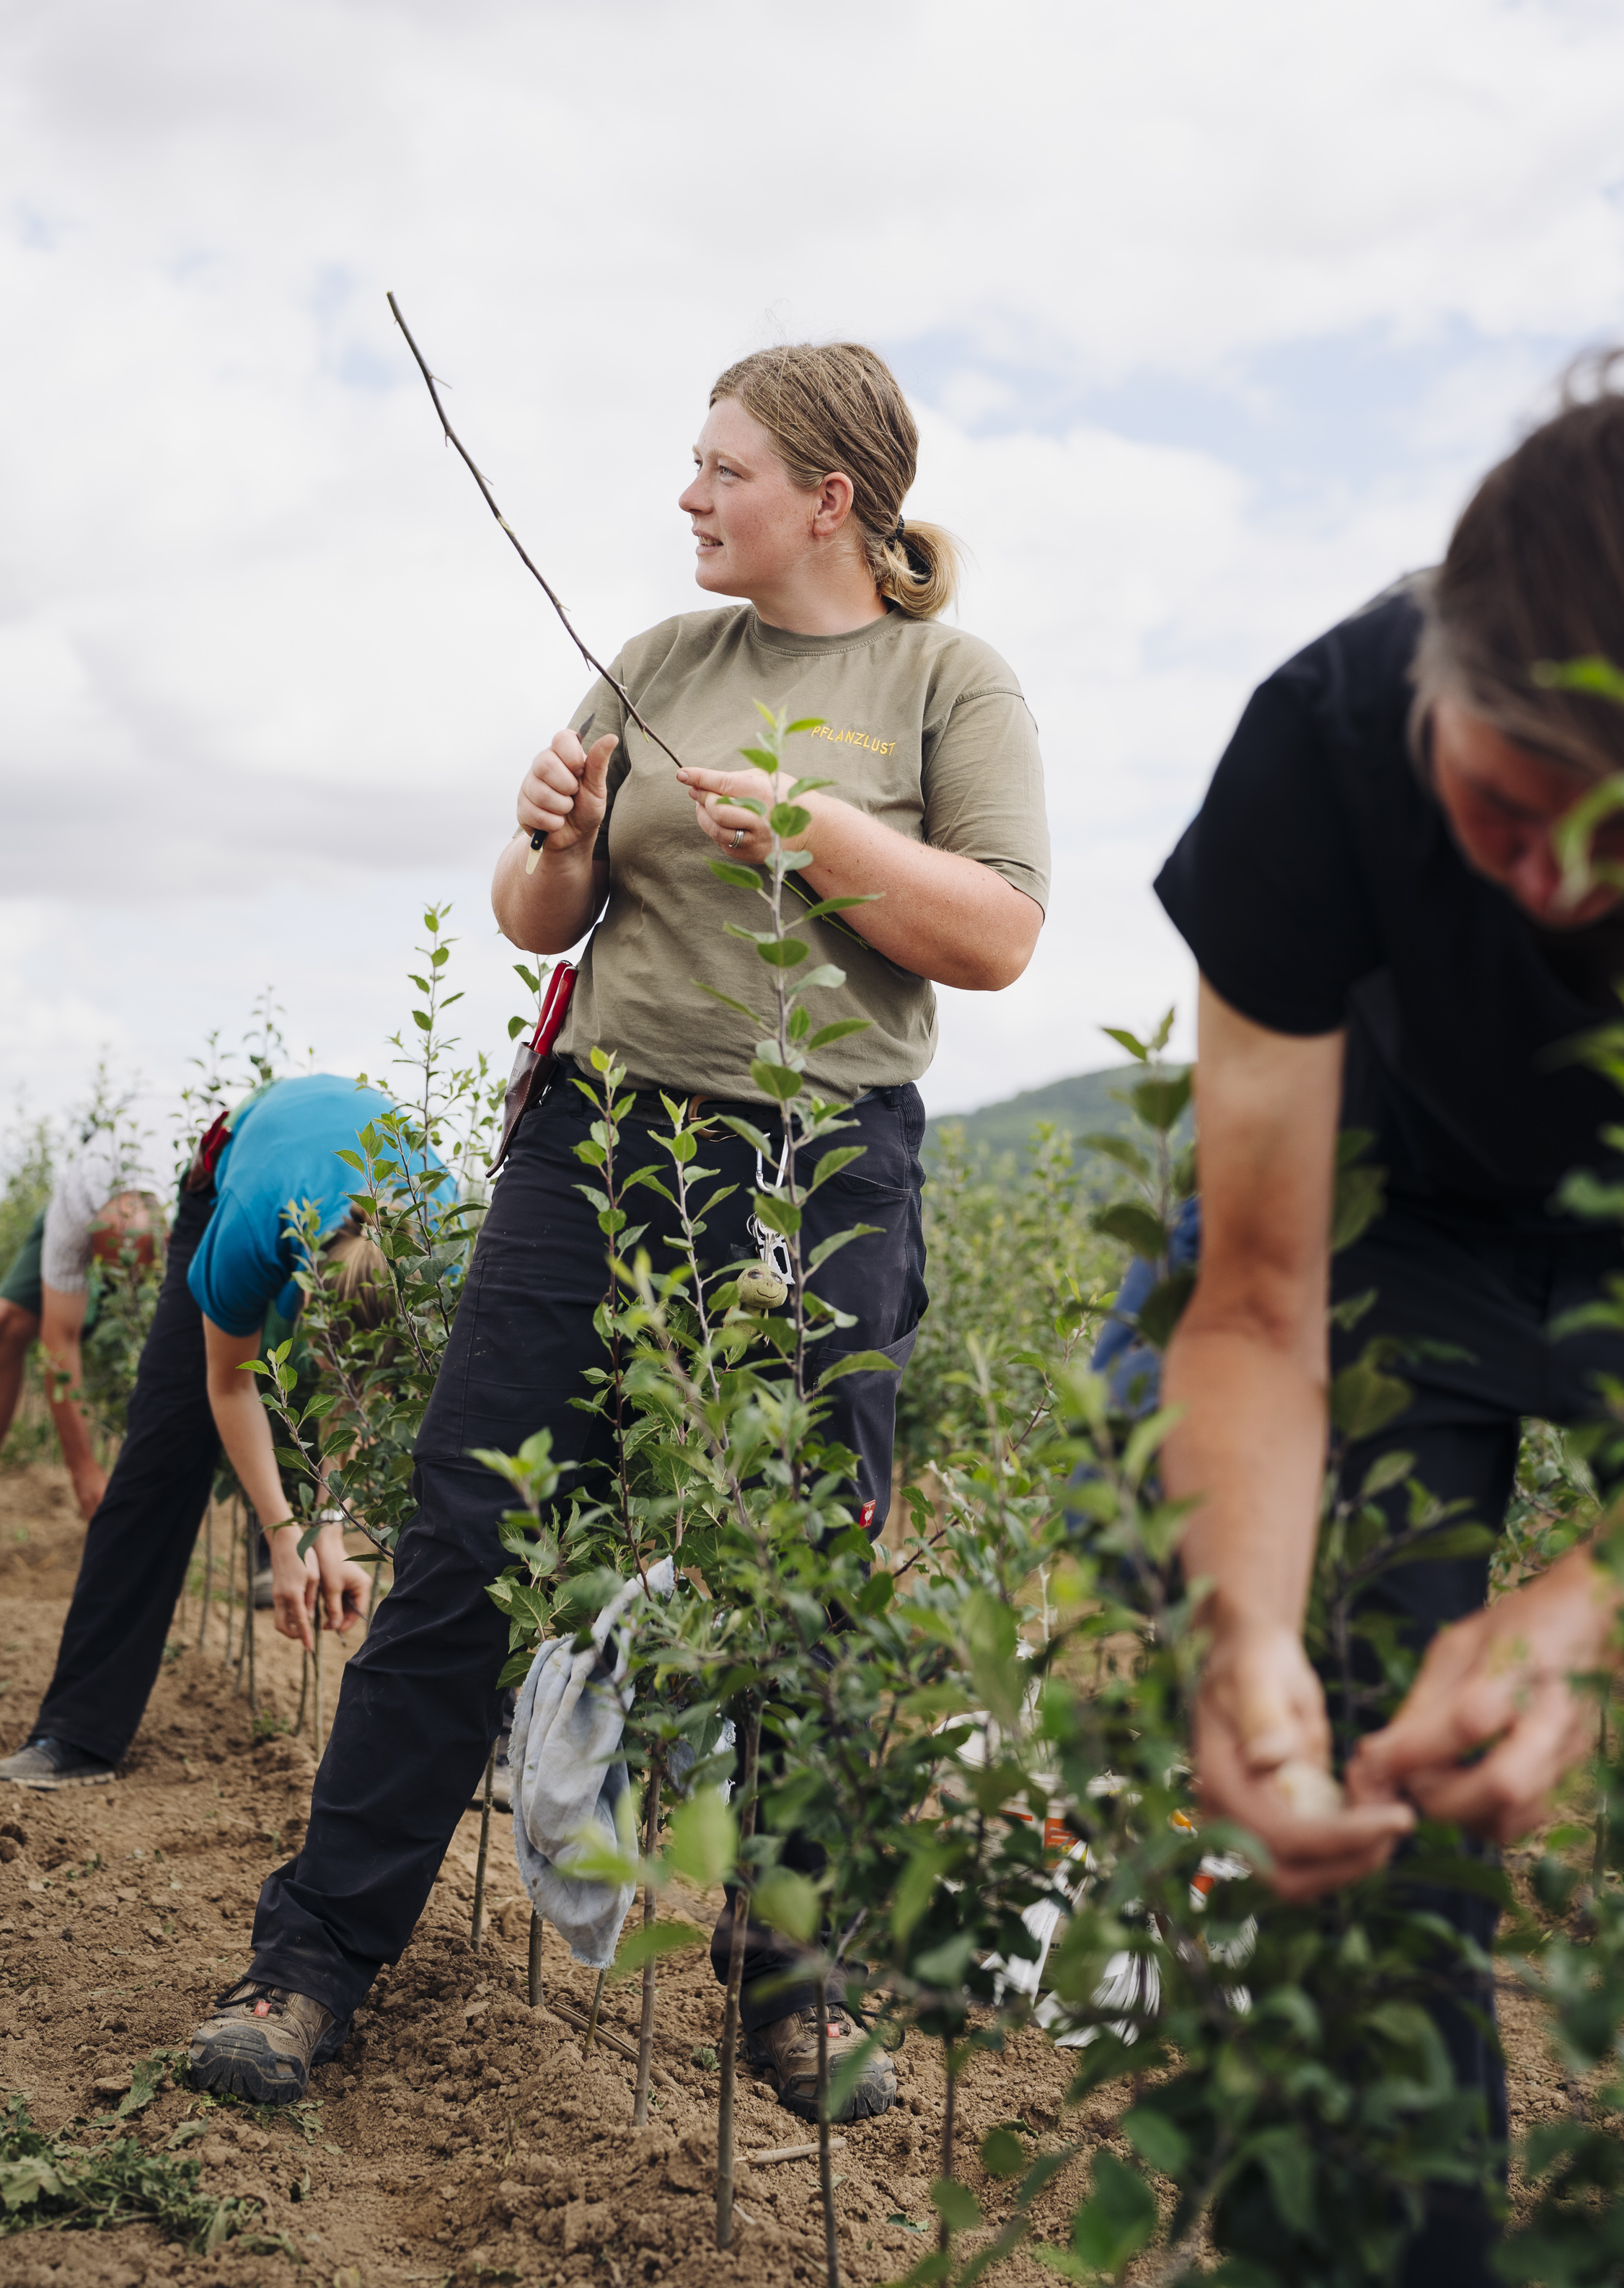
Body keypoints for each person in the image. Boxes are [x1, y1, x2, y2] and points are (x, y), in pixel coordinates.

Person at [185, 340, 1049, 2114]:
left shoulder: (943, 680)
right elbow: (537, 917)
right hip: (598, 1147)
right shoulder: (657, 660)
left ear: (828, 498)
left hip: (820, 1166)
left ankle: (793, 1985)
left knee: (798, 1577)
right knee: (464, 1544)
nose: (686, 495)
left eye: (723, 469)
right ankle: (310, 1961)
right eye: (691, 462)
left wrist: (813, 831)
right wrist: (550, 840)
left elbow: (995, 934)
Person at [1155, 371, 1624, 2285]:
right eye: (1506, 810)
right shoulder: (1324, 746)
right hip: (1402, 1213)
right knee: (1362, 1741)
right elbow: (1259, 1296)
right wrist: (1238, 1626)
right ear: (1435, 683)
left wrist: (1583, 1612)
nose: (1558, 891)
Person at [0, 1072, 421, 1792]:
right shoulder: (247, 1232)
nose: (329, 1368)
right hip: (232, 1178)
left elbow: (362, 1389)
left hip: (355, 1197)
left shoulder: (436, 1249)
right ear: (302, 1284)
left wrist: (330, 1528)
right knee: (165, 1439)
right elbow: (230, 1383)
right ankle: (77, 1732)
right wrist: (283, 1535)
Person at [0, 1139, 165, 1565]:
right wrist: (84, 1470)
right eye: (108, 1270)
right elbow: (59, 1342)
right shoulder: (74, 1208)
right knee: (2, 1322)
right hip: (88, 1200)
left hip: (177, 1222)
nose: (117, 1284)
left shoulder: (197, 1190)